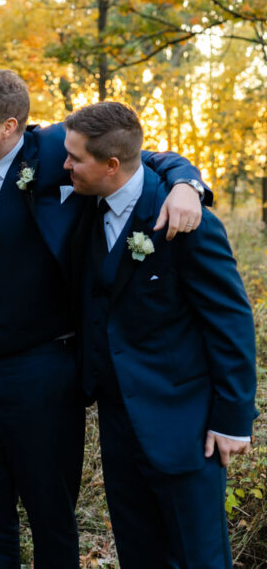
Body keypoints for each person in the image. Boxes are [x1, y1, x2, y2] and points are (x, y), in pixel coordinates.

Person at [0, 69, 208, 568]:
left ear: (10, 126)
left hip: (43, 369)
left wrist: (187, 182)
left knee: (50, 513)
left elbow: (137, 156)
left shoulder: (59, 150)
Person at [62, 101, 257, 567]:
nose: (63, 164)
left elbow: (230, 320)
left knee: (199, 556)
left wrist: (232, 419)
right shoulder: (88, 203)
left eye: (74, 158)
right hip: (117, 419)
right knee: (139, 552)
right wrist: (188, 177)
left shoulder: (188, 222)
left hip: (184, 425)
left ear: (111, 166)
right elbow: (149, 155)